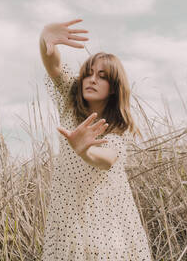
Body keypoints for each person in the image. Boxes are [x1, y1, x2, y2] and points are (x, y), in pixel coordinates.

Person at [40, 19, 153, 260]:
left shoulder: (115, 132)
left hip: (105, 227)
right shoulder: (70, 102)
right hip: (67, 220)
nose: (91, 79)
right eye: (88, 74)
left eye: (101, 76)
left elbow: (107, 159)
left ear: (113, 88)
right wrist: (44, 39)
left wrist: (85, 151)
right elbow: (54, 65)